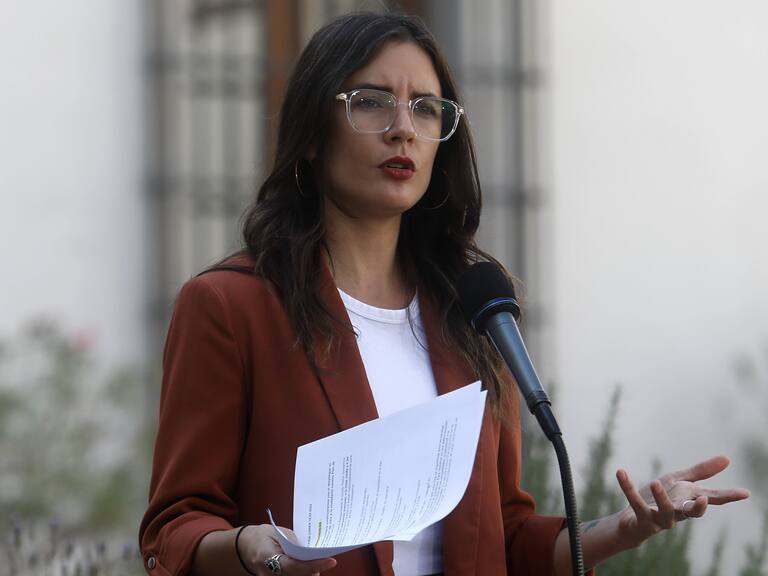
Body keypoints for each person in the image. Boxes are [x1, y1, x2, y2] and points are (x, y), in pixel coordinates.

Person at [139, 11, 750, 576]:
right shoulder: (231, 306)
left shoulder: (472, 311)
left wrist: (620, 528)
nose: (403, 128)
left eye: (426, 108)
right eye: (371, 102)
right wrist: (251, 550)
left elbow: (505, 537)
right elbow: (173, 529)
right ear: (312, 134)